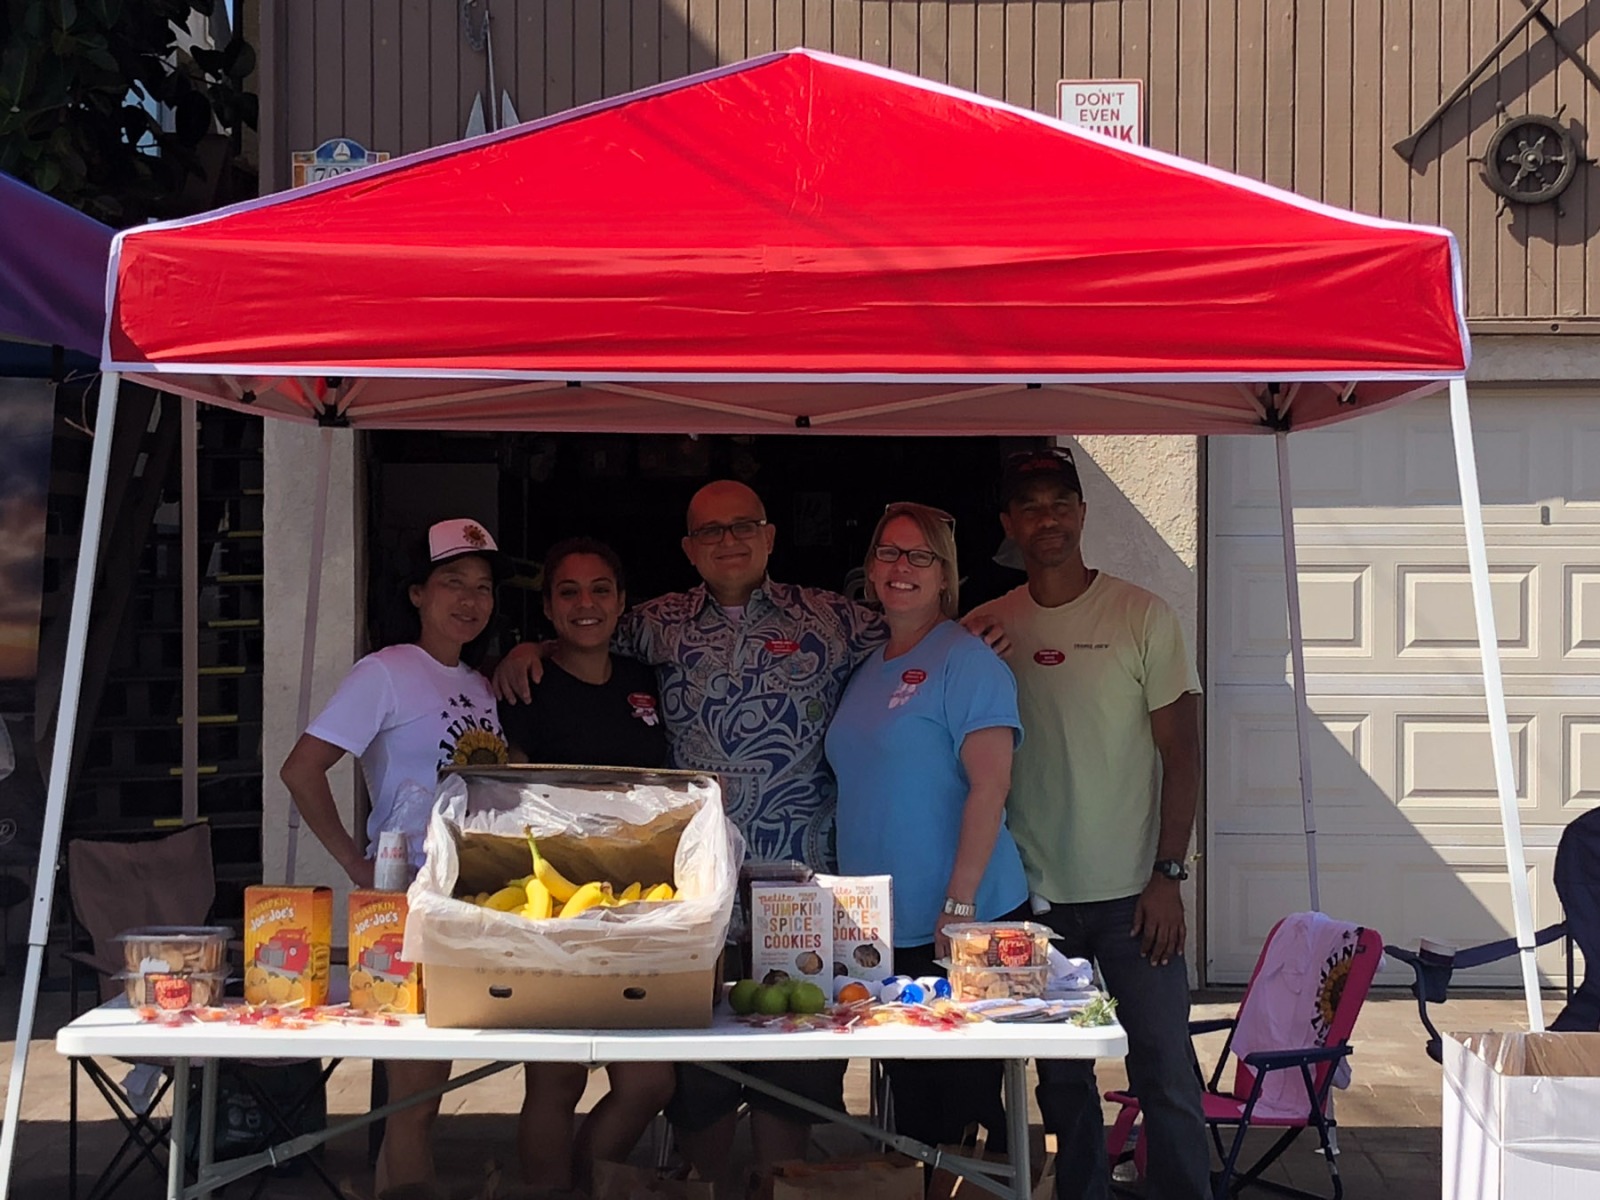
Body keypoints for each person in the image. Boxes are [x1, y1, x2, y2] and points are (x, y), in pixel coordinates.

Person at [495, 481, 885, 1179]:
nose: (728, 541)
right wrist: (528, 647)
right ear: (688, 547)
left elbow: (915, 629)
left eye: (743, 526)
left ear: (770, 535)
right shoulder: (656, 623)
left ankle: (777, 1191)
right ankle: (698, 1188)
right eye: (710, 531)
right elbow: (586, 632)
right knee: (697, 1077)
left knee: (791, 1068)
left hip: (796, 887)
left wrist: (978, 625)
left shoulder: (834, 618)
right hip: (687, 891)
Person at [972, 448, 1210, 1200]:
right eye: (1030, 506)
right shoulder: (986, 627)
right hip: (1030, 898)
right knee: (1061, 1081)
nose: (1047, 518)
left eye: (1060, 503)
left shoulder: (1143, 614)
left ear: (1082, 512)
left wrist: (1169, 875)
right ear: (1009, 522)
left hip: (1136, 898)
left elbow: (1182, 753)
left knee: (1165, 1068)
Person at [280, 518, 513, 1193]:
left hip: (472, 900)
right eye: (452, 582)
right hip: (405, 904)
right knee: (413, 1095)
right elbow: (301, 769)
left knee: (427, 1092)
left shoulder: (480, 683)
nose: (469, 599)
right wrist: (356, 864)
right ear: (416, 593)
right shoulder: (385, 672)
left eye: (483, 587)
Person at [825, 501, 1030, 1156]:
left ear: (946, 575)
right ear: (869, 568)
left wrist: (959, 905)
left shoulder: (969, 661)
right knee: (915, 1105)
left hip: (966, 920)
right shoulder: (867, 666)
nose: (901, 567)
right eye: (888, 552)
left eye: (921, 556)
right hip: (887, 925)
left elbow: (991, 785)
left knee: (967, 1106)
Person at [499, 537, 675, 1193]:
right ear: (548, 606)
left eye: (601, 589)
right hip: (556, 899)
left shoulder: (643, 680)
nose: (586, 604)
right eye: (568, 591)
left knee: (649, 1081)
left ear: (622, 601)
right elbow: (508, 792)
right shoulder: (526, 684)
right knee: (557, 1078)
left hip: (641, 902)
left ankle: (578, 1186)